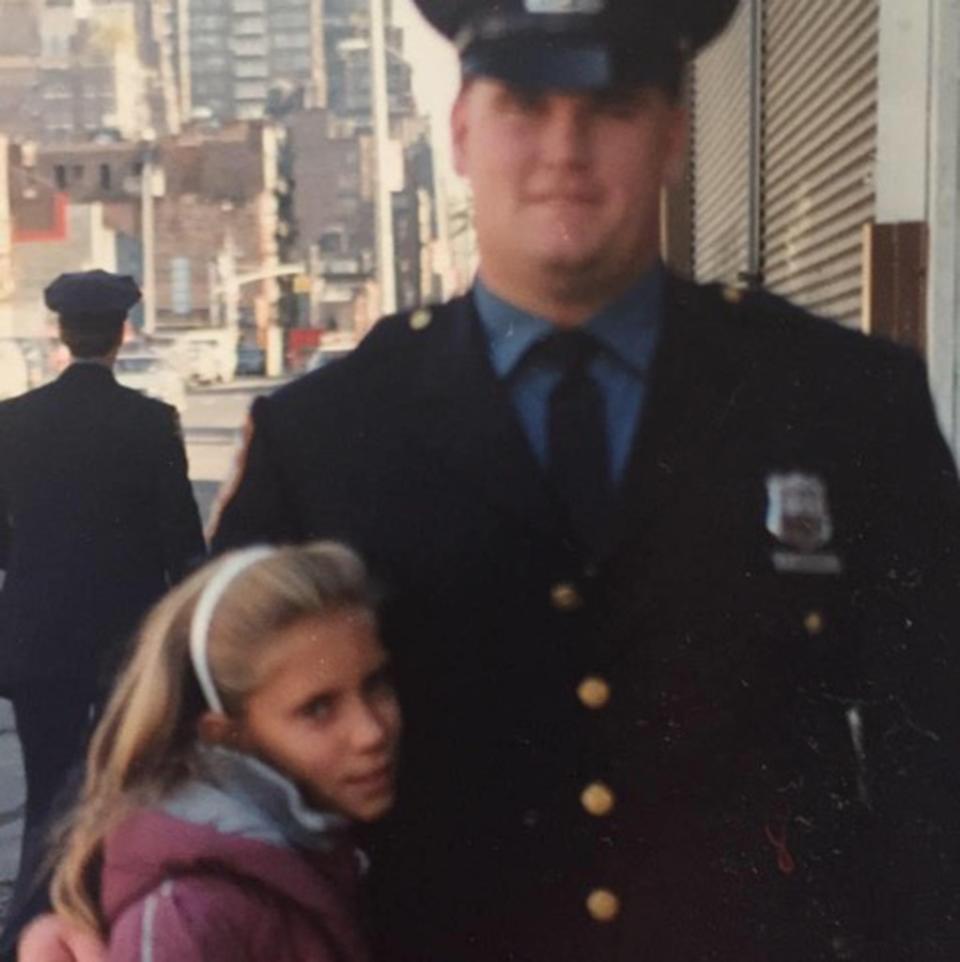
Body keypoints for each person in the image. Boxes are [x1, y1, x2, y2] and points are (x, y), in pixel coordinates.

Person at [23, 1, 960, 960]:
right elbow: (201, 731)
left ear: (674, 134)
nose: (565, 148)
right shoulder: (327, 430)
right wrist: (90, 913)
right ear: (463, 132)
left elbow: (935, 741)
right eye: (522, 104)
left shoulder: (844, 400)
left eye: (612, 107)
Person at [47, 542, 400, 961]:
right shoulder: (190, 921)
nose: (371, 732)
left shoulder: (319, 847)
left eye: (375, 684)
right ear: (229, 736)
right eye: (318, 709)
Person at [0, 270, 205, 958]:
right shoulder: (150, 424)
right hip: (130, 644)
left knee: (47, 788)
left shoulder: (12, 423)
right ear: (122, 334)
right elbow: (184, 546)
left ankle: (27, 931)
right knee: (130, 787)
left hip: (39, 641)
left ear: (60, 332)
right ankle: (121, 926)